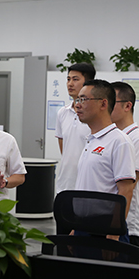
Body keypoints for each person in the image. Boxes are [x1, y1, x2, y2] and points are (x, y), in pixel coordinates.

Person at [73, 79, 136, 242]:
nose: (77, 105)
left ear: (103, 103)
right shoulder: (91, 139)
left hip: (105, 228)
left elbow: (126, 190)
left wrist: (114, 231)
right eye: (77, 99)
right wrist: (75, 226)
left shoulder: (119, 141)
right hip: (83, 225)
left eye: (83, 99)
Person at [111, 81, 139, 258]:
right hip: (111, 220)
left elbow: (128, 186)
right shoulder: (114, 137)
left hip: (130, 226)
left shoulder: (138, 140)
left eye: (112, 102)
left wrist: (115, 226)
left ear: (128, 106)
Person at [55, 63, 96, 194]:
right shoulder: (62, 113)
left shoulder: (96, 114)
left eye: (75, 79)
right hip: (65, 184)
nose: (70, 84)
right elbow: (64, 148)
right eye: (68, 79)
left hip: (88, 186)